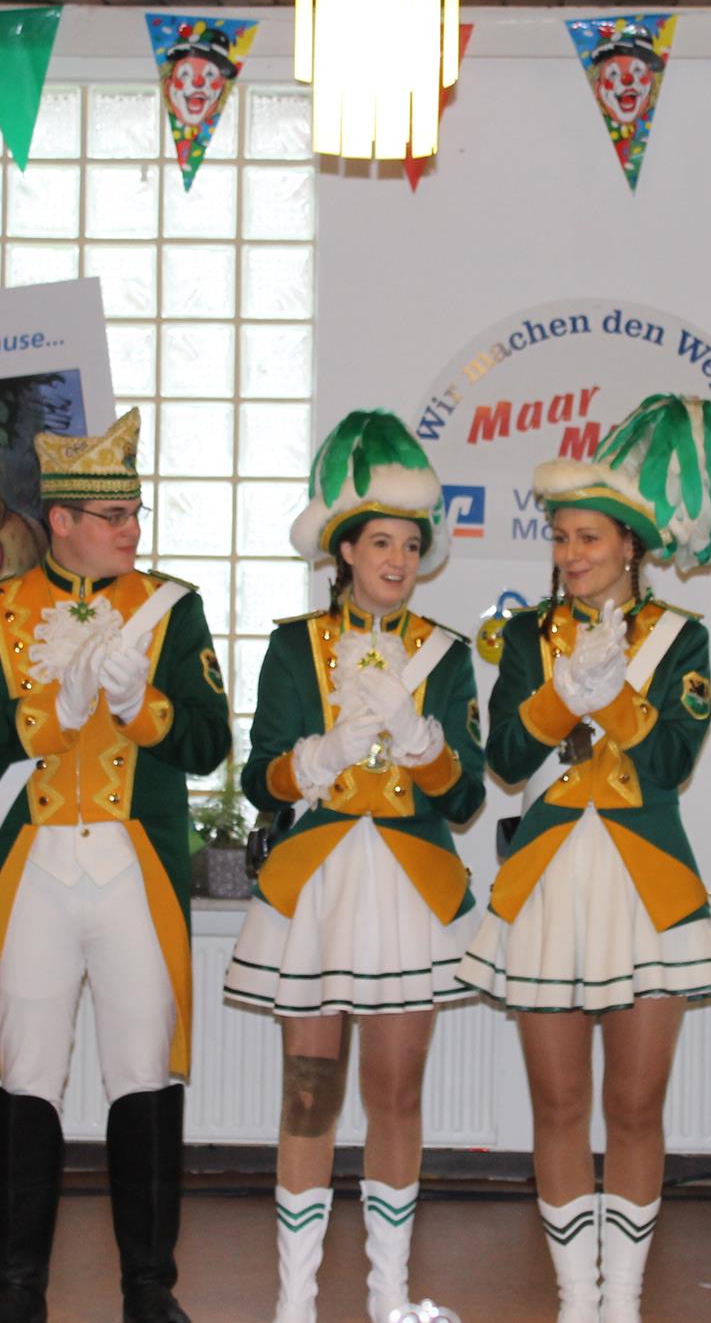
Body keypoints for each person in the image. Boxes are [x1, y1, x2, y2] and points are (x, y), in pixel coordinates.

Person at [0, 414, 232, 1323]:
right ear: (60, 520)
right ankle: (17, 1288)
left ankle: (150, 1290)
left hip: (136, 868)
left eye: (134, 512)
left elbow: (211, 742)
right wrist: (43, 713)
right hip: (36, 868)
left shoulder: (172, 608)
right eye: (112, 514)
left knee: (144, 1070)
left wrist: (146, 706)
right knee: (28, 1073)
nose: (131, 528)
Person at [457, 393, 711, 1323]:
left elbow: (669, 763)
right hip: (548, 881)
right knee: (556, 1107)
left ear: (631, 544)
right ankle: (574, 1301)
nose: (571, 553)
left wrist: (615, 695)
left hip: (645, 884)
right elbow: (506, 760)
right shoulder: (524, 637)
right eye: (560, 537)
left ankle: (622, 1302)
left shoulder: (681, 636)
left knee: (634, 1107)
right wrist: (556, 697)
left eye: (589, 537)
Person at [224, 410, 487, 1323]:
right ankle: (294, 1304)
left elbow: (464, 797)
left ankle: (387, 1298)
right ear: (345, 550)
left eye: (411, 544)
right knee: (309, 1097)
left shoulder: (447, 655)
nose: (399, 559)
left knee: (396, 1095)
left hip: (411, 888)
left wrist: (423, 743)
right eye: (381, 541)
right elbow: (259, 775)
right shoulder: (294, 644)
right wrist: (322, 754)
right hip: (318, 889)